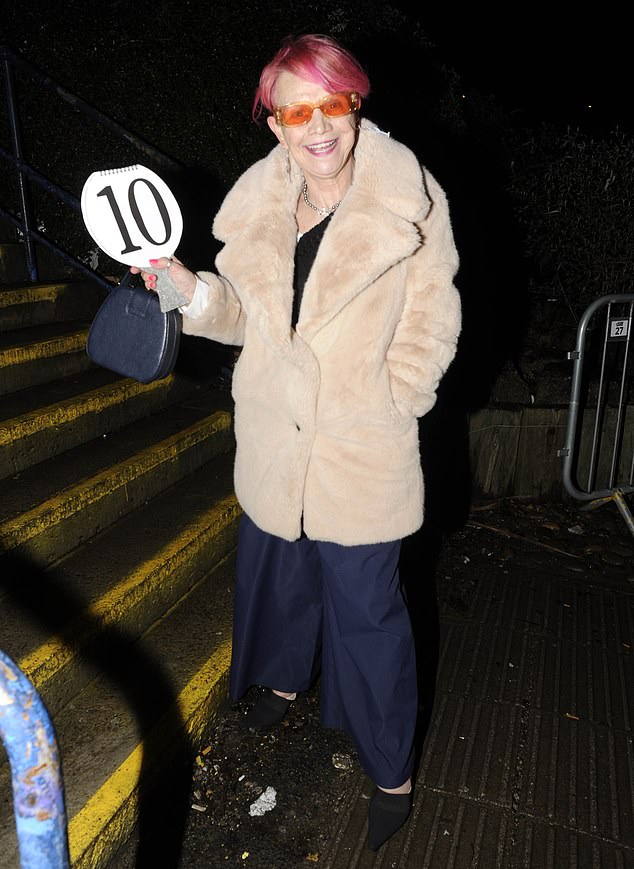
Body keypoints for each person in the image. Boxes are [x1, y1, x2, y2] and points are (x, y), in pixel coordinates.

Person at [132, 33, 461, 852]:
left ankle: (392, 769)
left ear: (357, 104)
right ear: (273, 121)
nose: (318, 126)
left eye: (333, 102)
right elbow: (242, 314)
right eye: (295, 108)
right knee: (281, 572)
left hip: (362, 443)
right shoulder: (258, 206)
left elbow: (434, 314)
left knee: (369, 610)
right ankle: (283, 679)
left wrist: (399, 397)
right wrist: (188, 290)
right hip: (278, 436)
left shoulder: (411, 198)